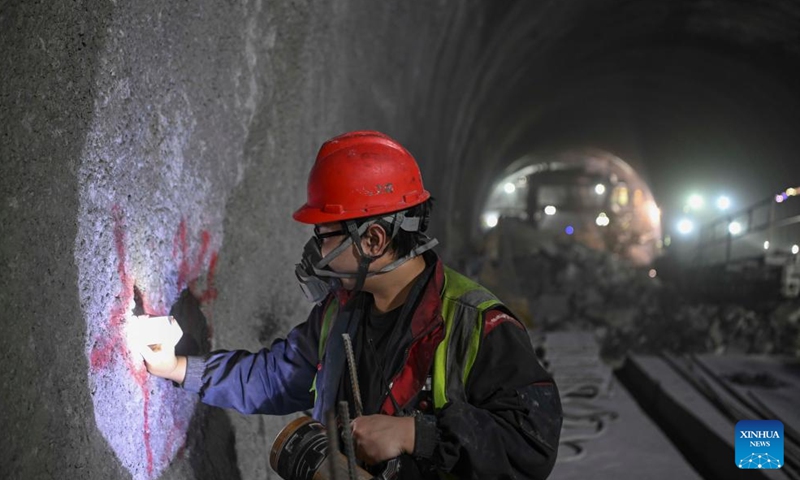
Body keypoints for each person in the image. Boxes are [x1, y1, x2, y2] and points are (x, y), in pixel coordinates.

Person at [133, 131, 562, 479]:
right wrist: (177, 367)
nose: (315, 248)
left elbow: (531, 443)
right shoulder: (341, 313)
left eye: (325, 234)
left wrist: (419, 434)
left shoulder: (479, 325)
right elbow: (275, 377)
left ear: (373, 240)